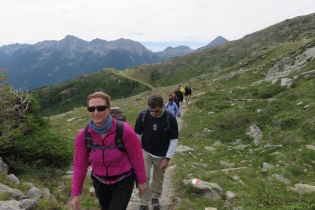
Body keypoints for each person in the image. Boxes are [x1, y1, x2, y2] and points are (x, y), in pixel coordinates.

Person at [71, 92, 146, 210]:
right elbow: (79, 165)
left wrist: (141, 181)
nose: (95, 112)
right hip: (100, 182)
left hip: (123, 181)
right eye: (91, 109)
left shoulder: (125, 130)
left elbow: (136, 157)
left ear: (109, 109)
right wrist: (76, 193)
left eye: (100, 108)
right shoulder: (84, 135)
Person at [134, 93, 179, 210]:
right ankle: (144, 202)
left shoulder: (170, 118)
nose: (154, 113)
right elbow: (137, 135)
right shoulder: (143, 115)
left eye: (157, 111)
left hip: (162, 154)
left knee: (158, 178)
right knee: (143, 176)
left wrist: (167, 158)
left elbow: (174, 140)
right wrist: (138, 152)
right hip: (146, 151)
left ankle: (155, 197)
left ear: (163, 106)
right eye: (151, 110)